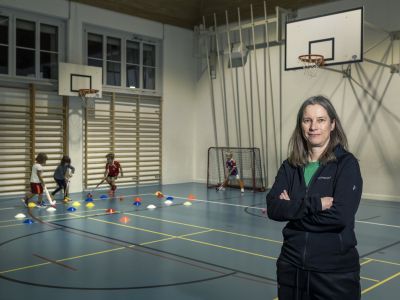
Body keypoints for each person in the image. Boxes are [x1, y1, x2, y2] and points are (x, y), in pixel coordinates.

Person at [266, 95, 362, 300]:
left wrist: (292, 209)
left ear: (332, 124)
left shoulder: (346, 165)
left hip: (334, 274)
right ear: (300, 125)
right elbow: (273, 208)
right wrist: (316, 204)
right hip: (291, 268)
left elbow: (340, 217)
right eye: (307, 120)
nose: (313, 127)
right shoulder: (290, 166)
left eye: (321, 120)